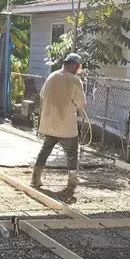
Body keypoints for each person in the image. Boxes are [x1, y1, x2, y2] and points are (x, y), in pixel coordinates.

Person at [32, 53, 86, 192]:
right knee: (72, 152)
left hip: (49, 122)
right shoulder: (74, 80)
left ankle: (35, 177)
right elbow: (81, 103)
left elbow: (43, 94)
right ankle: (72, 181)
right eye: (77, 67)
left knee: (45, 150)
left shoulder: (52, 76)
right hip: (66, 125)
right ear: (74, 65)